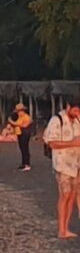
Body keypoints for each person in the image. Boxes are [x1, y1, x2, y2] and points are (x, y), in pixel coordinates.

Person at [42, 102, 80, 239]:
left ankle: (66, 228)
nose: (77, 113)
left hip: (76, 164)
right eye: (75, 110)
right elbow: (52, 143)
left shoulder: (78, 120)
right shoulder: (57, 120)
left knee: (72, 196)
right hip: (62, 164)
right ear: (68, 107)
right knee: (65, 194)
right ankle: (61, 229)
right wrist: (73, 143)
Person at [9, 103, 33, 171]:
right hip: (20, 134)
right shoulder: (19, 117)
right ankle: (23, 163)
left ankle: (27, 164)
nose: (18, 113)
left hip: (25, 134)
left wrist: (12, 122)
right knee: (22, 148)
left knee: (25, 148)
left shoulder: (27, 117)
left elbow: (24, 125)